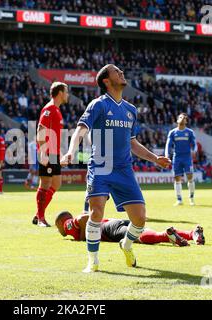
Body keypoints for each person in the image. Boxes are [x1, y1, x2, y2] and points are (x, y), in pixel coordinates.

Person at [61, 64, 171, 272]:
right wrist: (71, 151)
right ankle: (92, 260)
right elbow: (80, 130)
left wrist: (155, 158)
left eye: (121, 70)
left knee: (139, 219)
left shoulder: (130, 110)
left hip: (123, 170)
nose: (121, 72)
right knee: (96, 212)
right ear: (106, 81)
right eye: (116, 71)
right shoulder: (98, 105)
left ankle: (126, 245)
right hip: (101, 166)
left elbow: (133, 143)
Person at [32, 82, 69, 227]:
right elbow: (40, 129)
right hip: (46, 152)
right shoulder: (49, 109)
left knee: (56, 183)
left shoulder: (57, 110)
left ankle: (37, 214)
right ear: (60, 93)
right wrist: (42, 152)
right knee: (46, 183)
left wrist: (60, 153)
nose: (67, 95)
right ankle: (41, 218)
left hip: (54, 153)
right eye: (66, 92)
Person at [55, 211, 205, 246]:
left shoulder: (67, 223)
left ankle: (166, 236)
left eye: (57, 226)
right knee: (143, 231)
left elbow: (84, 218)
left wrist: (82, 237)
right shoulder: (70, 224)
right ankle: (192, 234)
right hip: (114, 222)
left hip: (108, 229)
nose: (58, 229)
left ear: (61, 221)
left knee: (136, 237)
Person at [165, 113, 198, 206]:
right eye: (180, 117)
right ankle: (179, 199)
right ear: (177, 120)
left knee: (190, 177)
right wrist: (167, 154)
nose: (182, 118)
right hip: (177, 158)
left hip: (187, 157)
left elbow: (195, 143)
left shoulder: (190, 132)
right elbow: (168, 144)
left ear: (186, 121)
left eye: (184, 118)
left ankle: (191, 198)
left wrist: (194, 151)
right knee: (177, 178)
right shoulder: (172, 132)